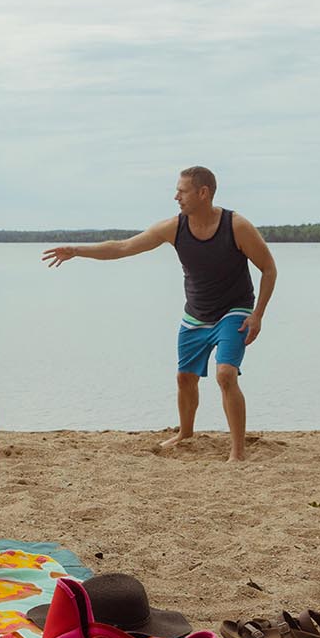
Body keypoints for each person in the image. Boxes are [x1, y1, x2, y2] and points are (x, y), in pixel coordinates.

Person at [42, 165, 277, 462]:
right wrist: (77, 250)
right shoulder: (173, 228)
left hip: (234, 311)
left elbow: (269, 268)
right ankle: (185, 434)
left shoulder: (236, 226)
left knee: (226, 374)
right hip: (195, 314)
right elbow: (123, 247)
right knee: (184, 378)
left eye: (182, 191)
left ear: (203, 193)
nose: (176, 196)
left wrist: (258, 315)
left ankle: (237, 452)